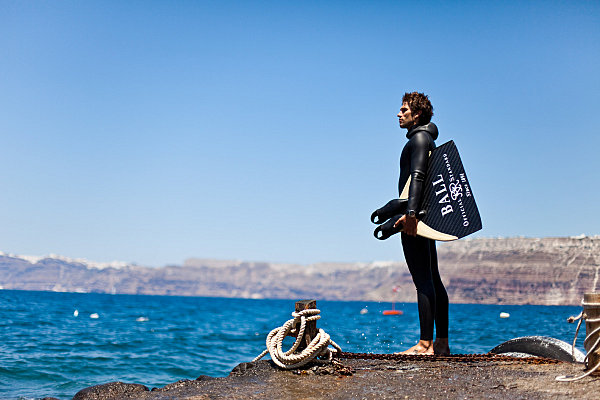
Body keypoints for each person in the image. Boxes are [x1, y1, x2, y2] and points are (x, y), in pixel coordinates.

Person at [394, 92, 450, 355]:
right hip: (426, 216)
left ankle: (425, 344)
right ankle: (442, 344)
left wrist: (411, 215)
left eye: (404, 110)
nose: (399, 113)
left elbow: (417, 177)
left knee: (424, 281)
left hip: (416, 218)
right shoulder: (427, 139)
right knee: (433, 280)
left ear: (416, 115)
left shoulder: (418, 139)